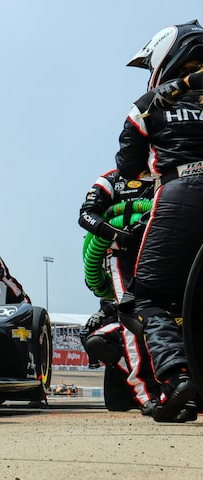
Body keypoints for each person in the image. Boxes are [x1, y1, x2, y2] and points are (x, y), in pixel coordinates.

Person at [115, 20, 203, 423]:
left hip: (182, 194)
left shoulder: (150, 101)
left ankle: (176, 376)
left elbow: (127, 164)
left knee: (147, 297)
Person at [77, 168, 160, 413]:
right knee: (130, 316)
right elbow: (86, 215)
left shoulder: (166, 172)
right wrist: (117, 234)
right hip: (123, 256)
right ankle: (147, 393)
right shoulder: (111, 179)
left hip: (164, 251)